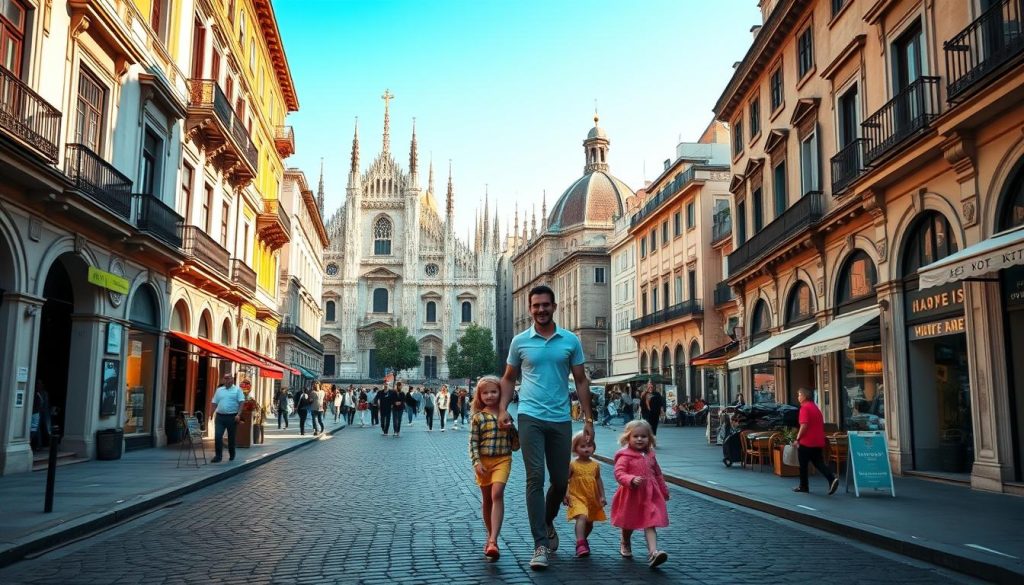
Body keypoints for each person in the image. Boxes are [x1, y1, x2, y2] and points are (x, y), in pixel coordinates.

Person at [498, 284, 594, 571]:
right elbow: (508, 378)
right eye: (536, 305)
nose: (541, 309)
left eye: (545, 305)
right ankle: (539, 543)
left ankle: (547, 520)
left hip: (561, 418)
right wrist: (503, 408)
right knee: (534, 478)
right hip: (529, 417)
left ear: (554, 307)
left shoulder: (570, 341)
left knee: (561, 480)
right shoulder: (519, 342)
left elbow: (581, 381)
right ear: (530, 309)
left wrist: (588, 419)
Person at [470, 375, 519, 560]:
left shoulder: (505, 414)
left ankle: (493, 539)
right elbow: (473, 443)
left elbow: (516, 445)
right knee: (487, 500)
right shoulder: (478, 417)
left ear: (500, 393)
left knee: (497, 494)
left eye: (493, 391)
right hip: (484, 461)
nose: (490, 395)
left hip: (503, 459)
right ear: (480, 396)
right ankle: (491, 538)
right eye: (485, 393)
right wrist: (476, 462)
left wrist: (510, 428)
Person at [611, 420, 670, 569]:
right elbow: (619, 473)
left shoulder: (650, 454)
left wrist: (663, 490)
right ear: (627, 438)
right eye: (635, 436)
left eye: (643, 436)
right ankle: (625, 541)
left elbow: (658, 474)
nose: (639, 439)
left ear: (649, 438)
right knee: (628, 523)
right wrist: (630, 479)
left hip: (650, 495)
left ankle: (653, 552)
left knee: (651, 522)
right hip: (631, 495)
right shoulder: (625, 455)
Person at [563, 431, 606, 558]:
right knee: (582, 516)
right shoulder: (572, 464)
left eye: (589, 445)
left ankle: (583, 540)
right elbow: (566, 480)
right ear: (575, 448)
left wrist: (602, 496)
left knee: (589, 522)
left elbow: (598, 480)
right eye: (582, 446)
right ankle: (580, 543)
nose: (587, 449)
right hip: (576, 496)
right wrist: (565, 494)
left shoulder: (595, 465)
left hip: (591, 497)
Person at [793, 387, 839, 495]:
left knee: (803, 464)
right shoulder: (815, 408)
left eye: (799, 395)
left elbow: (804, 425)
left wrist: (797, 439)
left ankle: (803, 486)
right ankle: (832, 479)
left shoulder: (804, 408)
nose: (798, 397)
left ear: (804, 397)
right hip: (818, 441)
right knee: (819, 463)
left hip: (807, 441)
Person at [210, 373, 246, 462]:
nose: (226, 380)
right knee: (218, 436)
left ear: (232, 379)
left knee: (231, 437)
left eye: (228, 378)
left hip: (232, 417)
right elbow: (214, 402)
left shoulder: (237, 390)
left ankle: (232, 453)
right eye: (225, 378)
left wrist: (238, 414)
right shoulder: (219, 390)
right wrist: (211, 413)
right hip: (220, 417)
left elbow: (241, 402)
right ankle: (218, 456)